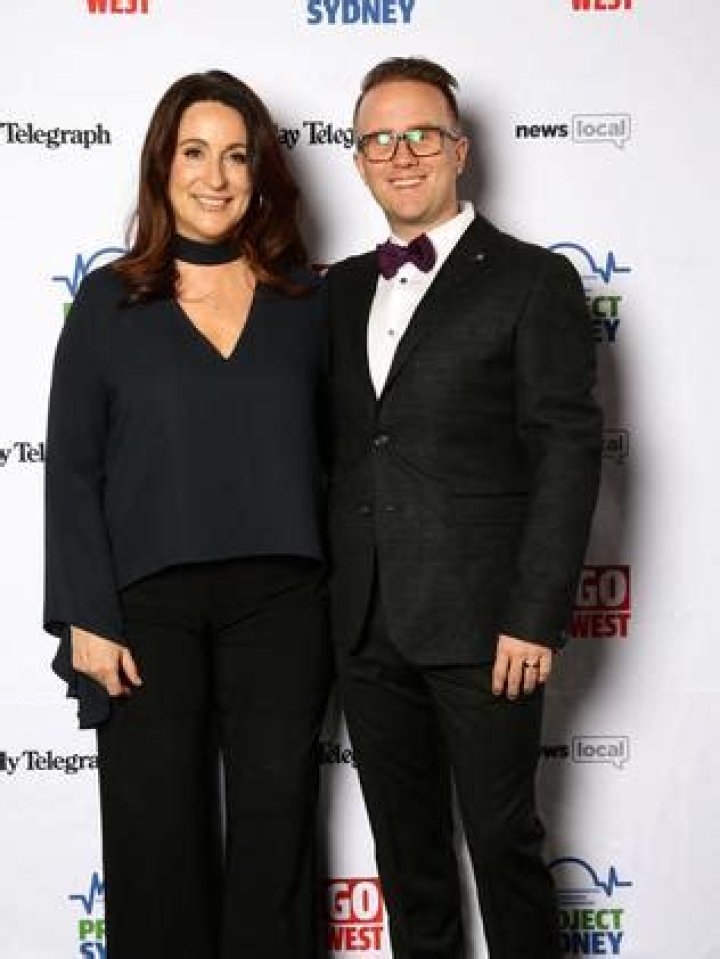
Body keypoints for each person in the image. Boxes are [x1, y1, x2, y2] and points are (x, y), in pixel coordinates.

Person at [44, 70, 332, 959]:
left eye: (236, 156)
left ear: (260, 173)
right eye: (195, 152)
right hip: (146, 609)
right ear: (161, 167)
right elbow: (72, 468)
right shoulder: (108, 301)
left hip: (283, 603)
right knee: (154, 840)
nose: (216, 176)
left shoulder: (308, 301)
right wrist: (85, 612)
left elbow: (348, 457)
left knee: (278, 836)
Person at [326, 58, 602, 959]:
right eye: (379, 139)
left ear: (459, 149)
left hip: (488, 629)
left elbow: (566, 453)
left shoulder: (533, 279)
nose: (401, 154)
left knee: (504, 848)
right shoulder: (335, 292)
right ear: (359, 160)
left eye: (421, 134)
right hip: (366, 624)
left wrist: (535, 614)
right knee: (407, 863)